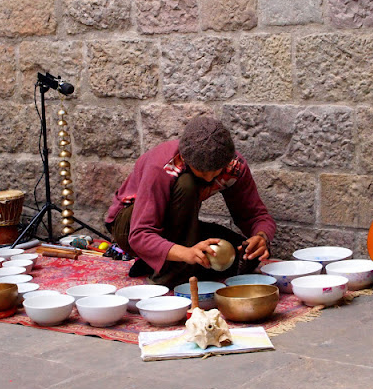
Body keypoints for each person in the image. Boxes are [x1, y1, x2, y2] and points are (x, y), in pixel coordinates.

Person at [105, 116, 276, 287]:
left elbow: (256, 215)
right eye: (202, 172)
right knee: (188, 184)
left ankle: (155, 261)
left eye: (216, 171)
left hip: (175, 228)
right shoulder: (162, 167)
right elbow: (140, 235)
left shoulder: (234, 166)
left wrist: (261, 236)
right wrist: (187, 253)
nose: (209, 177)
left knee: (242, 256)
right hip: (130, 226)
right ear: (186, 159)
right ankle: (168, 278)